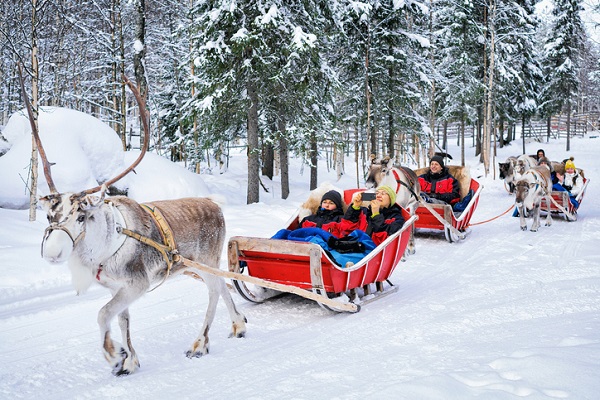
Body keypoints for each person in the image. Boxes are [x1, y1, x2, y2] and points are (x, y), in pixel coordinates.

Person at [339, 185, 405, 246]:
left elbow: (384, 239)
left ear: (391, 199)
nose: (378, 195)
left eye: (383, 193)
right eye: (376, 193)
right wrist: (355, 207)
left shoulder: (396, 218)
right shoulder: (364, 212)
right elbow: (346, 227)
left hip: (370, 251)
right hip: (351, 245)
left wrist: (376, 214)